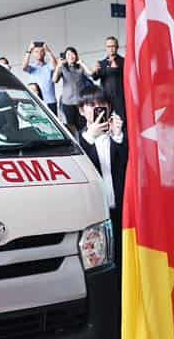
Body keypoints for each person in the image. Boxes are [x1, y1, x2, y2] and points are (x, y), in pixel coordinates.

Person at [77, 88, 126, 264]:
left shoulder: (120, 135)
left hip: (121, 210)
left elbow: (128, 165)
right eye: (91, 105)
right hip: (93, 215)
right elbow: (79, 169)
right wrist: (90, 137)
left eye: (102, 104)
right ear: (81, 110)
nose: (97, 108)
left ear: (109, 107)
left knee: (123, 258)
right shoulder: (77, 141)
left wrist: (118, 136)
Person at [53, 46, 92, 132]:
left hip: (81, 102)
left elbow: (91, 73)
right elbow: (55, 80)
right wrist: (58, 66)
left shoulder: (80, 67)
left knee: (83, 125)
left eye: (72, 54)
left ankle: (83, 139)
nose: (71, 56)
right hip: (68, 103)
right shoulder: (63, 68)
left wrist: (82, 63)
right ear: (65, 57)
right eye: (68, 54)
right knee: (71, 126)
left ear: (76, 55)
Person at [92, 36, 126, 114]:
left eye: (113, 46)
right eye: (109, 46)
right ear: (106, 48)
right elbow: (95, 78)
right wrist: (95, 71)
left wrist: (115, 68)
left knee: (122, 118)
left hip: (120, 97)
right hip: (105, 97)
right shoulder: (101, 63)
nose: (111, 49)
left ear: (117, 47)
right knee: (105, 118)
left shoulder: (124, 61)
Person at [22, 42, 58, 111]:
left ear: (44, 53)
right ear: (33, 54)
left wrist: (48, 51)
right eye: (36, 52)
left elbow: (56, 66)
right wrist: (29, 50)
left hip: (50, 101)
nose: (39, 53)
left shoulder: (49, 65)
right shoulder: (32, 67)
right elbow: (24, 67)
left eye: (41, 51)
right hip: (37, 102)